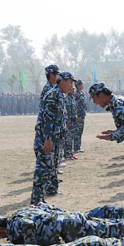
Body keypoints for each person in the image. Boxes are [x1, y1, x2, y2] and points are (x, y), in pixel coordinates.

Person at [0, 203, 124, 246]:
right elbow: (42, 207)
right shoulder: (20, 212)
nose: (3, 237)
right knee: (110, 226)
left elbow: (29, 227)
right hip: (70, 221)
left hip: (70, 229)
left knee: (111, 231)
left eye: (0, 235)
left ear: (2, 228)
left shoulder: (17, 223)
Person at [30, 72, 74, 205]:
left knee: (49, 170)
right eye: (69, 82)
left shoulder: (60, 95)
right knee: (43, 170)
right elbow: (48, 119)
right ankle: (36, 200)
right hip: (46, 139)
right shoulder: (53, 95)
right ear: (62, 82)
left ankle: (41, 199)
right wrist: (48, 138)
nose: (71, 85)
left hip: (54, 139)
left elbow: (58, 118)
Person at [63, 86, 78, 160]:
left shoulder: (72, 98)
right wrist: (67, 122)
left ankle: (70, 153)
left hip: (73, 121)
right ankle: (67, 154)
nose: (73, 90)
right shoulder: (66, 98)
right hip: (69, 122)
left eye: (74, 89)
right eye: (72, 89)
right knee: (67, 139)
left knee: (71, 138)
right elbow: (66, 112)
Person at [73, 80, 87, 154]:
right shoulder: (76, 94)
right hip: (79, 116)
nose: (82, 86)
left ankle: (78, 147)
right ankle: (76, 148)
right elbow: (76, 106)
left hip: (82, 115)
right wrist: (78, 116)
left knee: (80, 131)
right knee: (77, 132)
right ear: (78, 85)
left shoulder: (82, 93)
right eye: (81, 84)